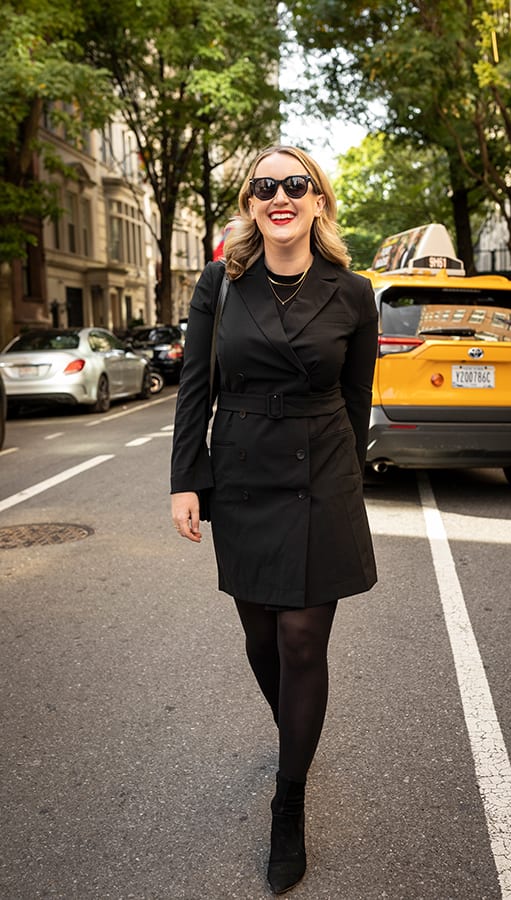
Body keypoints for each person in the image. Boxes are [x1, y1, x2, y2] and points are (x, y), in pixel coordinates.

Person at [170, 145, 378, 894]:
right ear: (251, 203)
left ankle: (287, 802)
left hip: (321, 474)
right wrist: (186, 480)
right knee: (260, 632)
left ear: (318, 200)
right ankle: (297, 731)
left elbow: (356, 402)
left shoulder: (354, 293)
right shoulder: (220, 284)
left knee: (300, 636)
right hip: (246, 469)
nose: (280, 196)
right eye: (265, 187)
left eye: (295, 184)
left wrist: (348, 487)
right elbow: (195, 387)